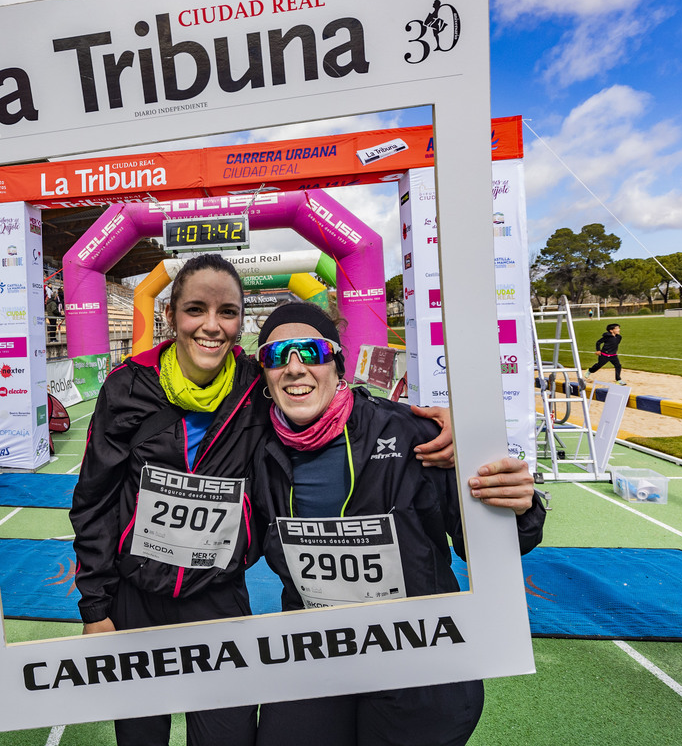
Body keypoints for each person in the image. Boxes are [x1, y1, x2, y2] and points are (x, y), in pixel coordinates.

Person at [69, 254, 458, 746]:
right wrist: (95, 608)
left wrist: (449, 428)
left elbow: (330, 396)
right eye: (195, 309)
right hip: (135, 596)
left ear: (239, 323)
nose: (211, 325)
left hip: (218, 597)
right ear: (170, 314)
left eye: (227, 312)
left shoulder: (255, 386)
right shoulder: (127, 386)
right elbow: (95, 499)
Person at [250, 302, 546, 746]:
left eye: (310, 351)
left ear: (337, 364)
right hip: (316, 645)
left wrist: (520, 506)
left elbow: (481, 540)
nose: (294, 368)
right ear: (264, 375)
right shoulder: (252, 443)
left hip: (417, 649)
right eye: (276, 356)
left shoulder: (415, 434)